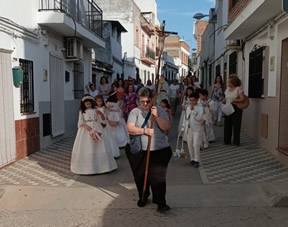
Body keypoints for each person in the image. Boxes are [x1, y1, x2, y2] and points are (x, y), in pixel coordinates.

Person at [126, 87, 172, 212]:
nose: (145, 104)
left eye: (147, 101)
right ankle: (143, 195)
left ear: (152, 100)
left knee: (158, 177)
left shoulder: (160, 110)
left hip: (159, 150)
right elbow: (130, 129)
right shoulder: (134, 112)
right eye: (142, 102)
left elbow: (166, 127)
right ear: (138, 101)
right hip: (139, 150)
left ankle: (161, 202)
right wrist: (145, 131)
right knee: (140, 176)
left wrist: (156, 116)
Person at [70, 95, 117, 174]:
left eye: (89, 104)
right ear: (84, 104)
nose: (88, 105)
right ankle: (87, 167)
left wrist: (101, 114)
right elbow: (80, 121)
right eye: (86, 104)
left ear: (92, 103)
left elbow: (103, 120)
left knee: (99, 145)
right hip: (86, 130)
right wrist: (86, 126)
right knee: (87, 146)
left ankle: (103, 167)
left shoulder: (95, 109)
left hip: (96, 127)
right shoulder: (82, 111)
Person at [181, 93, 204, 168]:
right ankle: (192, 158)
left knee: (195, 144)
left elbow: (199, 118)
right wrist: (183, 127)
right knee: (190, 144)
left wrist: (193, 111)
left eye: (193, 100)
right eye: (190, 100)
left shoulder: (200, 108)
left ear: (197, 100)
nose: (191, 102)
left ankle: (197, 160)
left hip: (197, 129)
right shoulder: (187, 108)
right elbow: (185, 118)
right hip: (189, 129)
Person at [223, 75, 245, 146]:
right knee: (227, 124)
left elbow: (242, 98)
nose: (228, 83)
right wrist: (222, 101)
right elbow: (226, 97)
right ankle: (227, 140)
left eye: (229, 81)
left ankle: (236, 141)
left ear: (233, 82)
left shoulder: (238, 89)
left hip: (236, 107)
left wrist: (235, 100)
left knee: (236, 124)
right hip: (228, 107)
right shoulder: (227, 89)